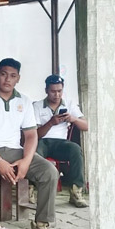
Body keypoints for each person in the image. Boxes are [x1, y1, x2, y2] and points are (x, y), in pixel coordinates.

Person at [0, 58, 59, 229]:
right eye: (3, 74)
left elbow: (31, 135)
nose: (7, 80)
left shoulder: (24, 101)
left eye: (12, 76)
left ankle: (41, 224)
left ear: (18, 78)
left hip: (15, 151)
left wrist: (26, 161)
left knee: (49, 172)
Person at [33, 74, 89, 208]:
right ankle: (31, 188)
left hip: (61, 143)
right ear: (46, 90)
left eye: (59, 91)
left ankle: (76, 191)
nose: (57, 95)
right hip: (43, 140)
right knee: (34, 152)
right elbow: (34, 134)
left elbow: (86, 126)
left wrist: (73, 119)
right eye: (53, 91)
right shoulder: (37, 106)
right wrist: (51, 123)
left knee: (75, 149)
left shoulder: (69, 104)